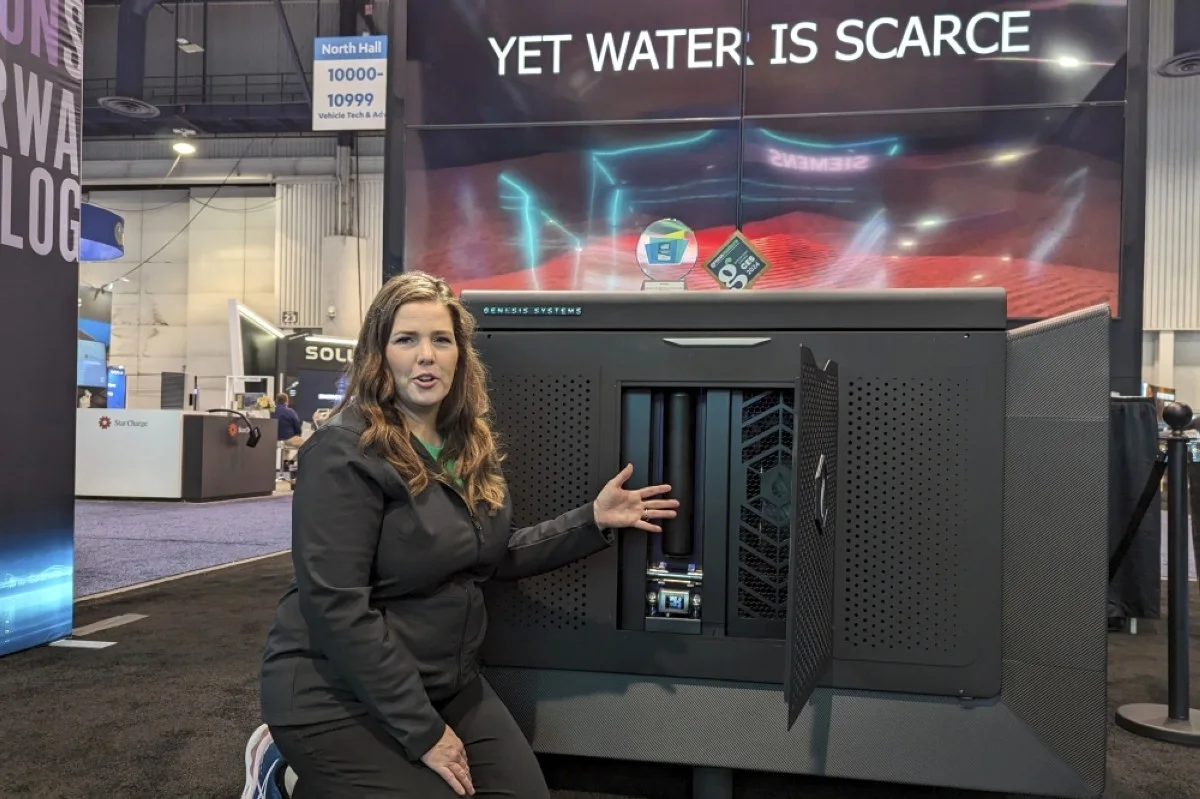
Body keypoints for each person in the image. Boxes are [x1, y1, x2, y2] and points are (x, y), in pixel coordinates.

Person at [255, 272, 678, 798]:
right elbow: (337, 608)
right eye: (406, 339)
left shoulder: (467, 444)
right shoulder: (343, 452)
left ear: (460, 355)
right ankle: (285, 774)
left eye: (441, 339)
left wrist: (592, 520)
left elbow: (491, 554)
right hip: (335, 692)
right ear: (378, 354)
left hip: (444, 683)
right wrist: (424, 732)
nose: (426, 356)